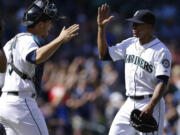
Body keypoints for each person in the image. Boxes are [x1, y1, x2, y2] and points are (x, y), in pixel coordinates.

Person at [0, 0, 79, 135]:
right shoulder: (28, 40)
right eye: (49, 22)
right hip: (21, 103)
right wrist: (60, 39)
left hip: (5, 104)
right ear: (40, 24)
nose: (51, 26)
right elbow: (35, 56)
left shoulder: (9, 44)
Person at [97, 3, 172, 135]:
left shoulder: (161, 51)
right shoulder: (130, 43)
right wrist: (101, 28)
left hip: (151, 103)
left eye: (137, 24)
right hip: (129, 102)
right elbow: (104, 55)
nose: (133, 27)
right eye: (133, 23)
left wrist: (151, 106)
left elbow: (162, 82)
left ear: (148, 26)